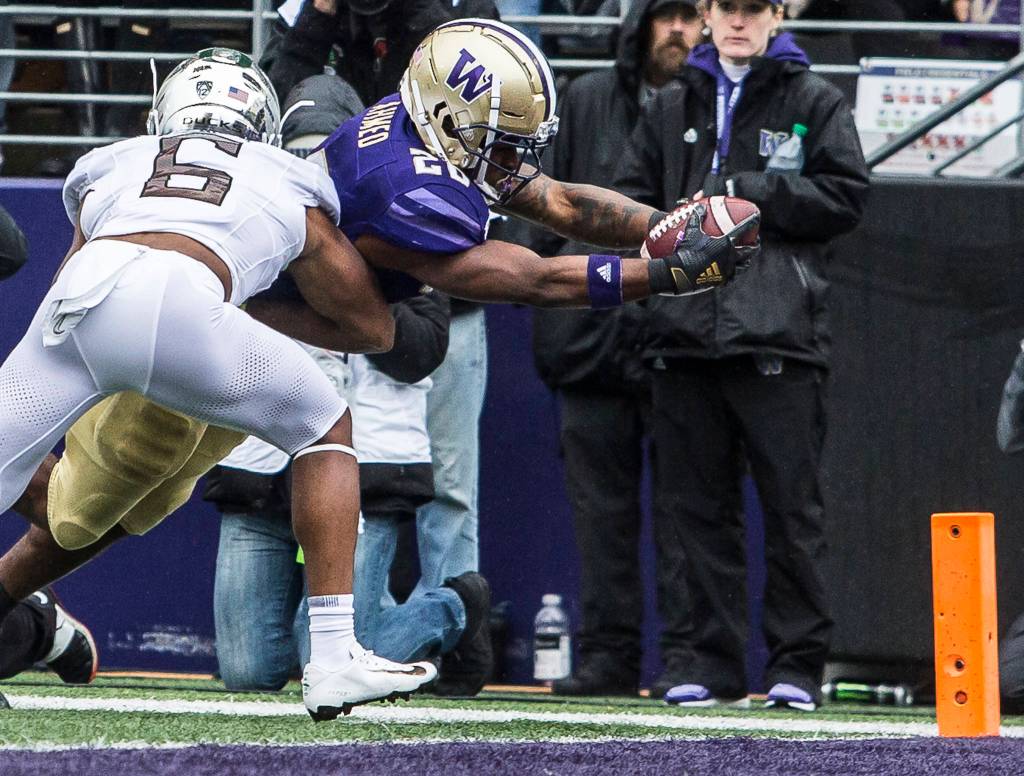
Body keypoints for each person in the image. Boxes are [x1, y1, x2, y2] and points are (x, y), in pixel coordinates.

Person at [3, 22, 757, 697]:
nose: (513, 160)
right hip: (221, 320)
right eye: (498, 140)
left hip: (130, 310)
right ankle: (327, 654)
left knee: (115, 501)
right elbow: (506, 286)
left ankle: (32, 612)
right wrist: (660, 273)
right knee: (107, 501)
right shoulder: (362, 187)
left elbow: (556, 203)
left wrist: (669, 228)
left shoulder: (124, 159)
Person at [0, 47, 443, 721]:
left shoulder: (115, 162)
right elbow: (370, 327)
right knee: (324, 425)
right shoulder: (284, 176)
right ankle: (332, 657)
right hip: (184, 306)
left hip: (78, 305)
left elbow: (77, 271)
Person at [614, 0, 869, 711]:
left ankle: (796, 666)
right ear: (705, 12)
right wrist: (673, 230)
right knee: (695, 512)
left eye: (753, 8)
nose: (737, 21)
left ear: (777, 14)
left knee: (794, 511)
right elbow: (629, 199)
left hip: (778, 337)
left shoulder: (813, 98)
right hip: (682, 337)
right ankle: (707, 661)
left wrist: (749, 195)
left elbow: (848, 195)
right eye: (727, 7)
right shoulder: (669, 103)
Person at [530, 0, 704, 698]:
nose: (679, 31)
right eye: (667, 16)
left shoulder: (708, 101)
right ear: (640, 24)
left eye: (691, 18)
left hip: (679, 339)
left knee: (686, 514)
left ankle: (688, 660)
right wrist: (545, 292)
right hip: (589, 342)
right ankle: (608, 659)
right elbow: (540, 206)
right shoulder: (586, 96)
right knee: (600, 520)